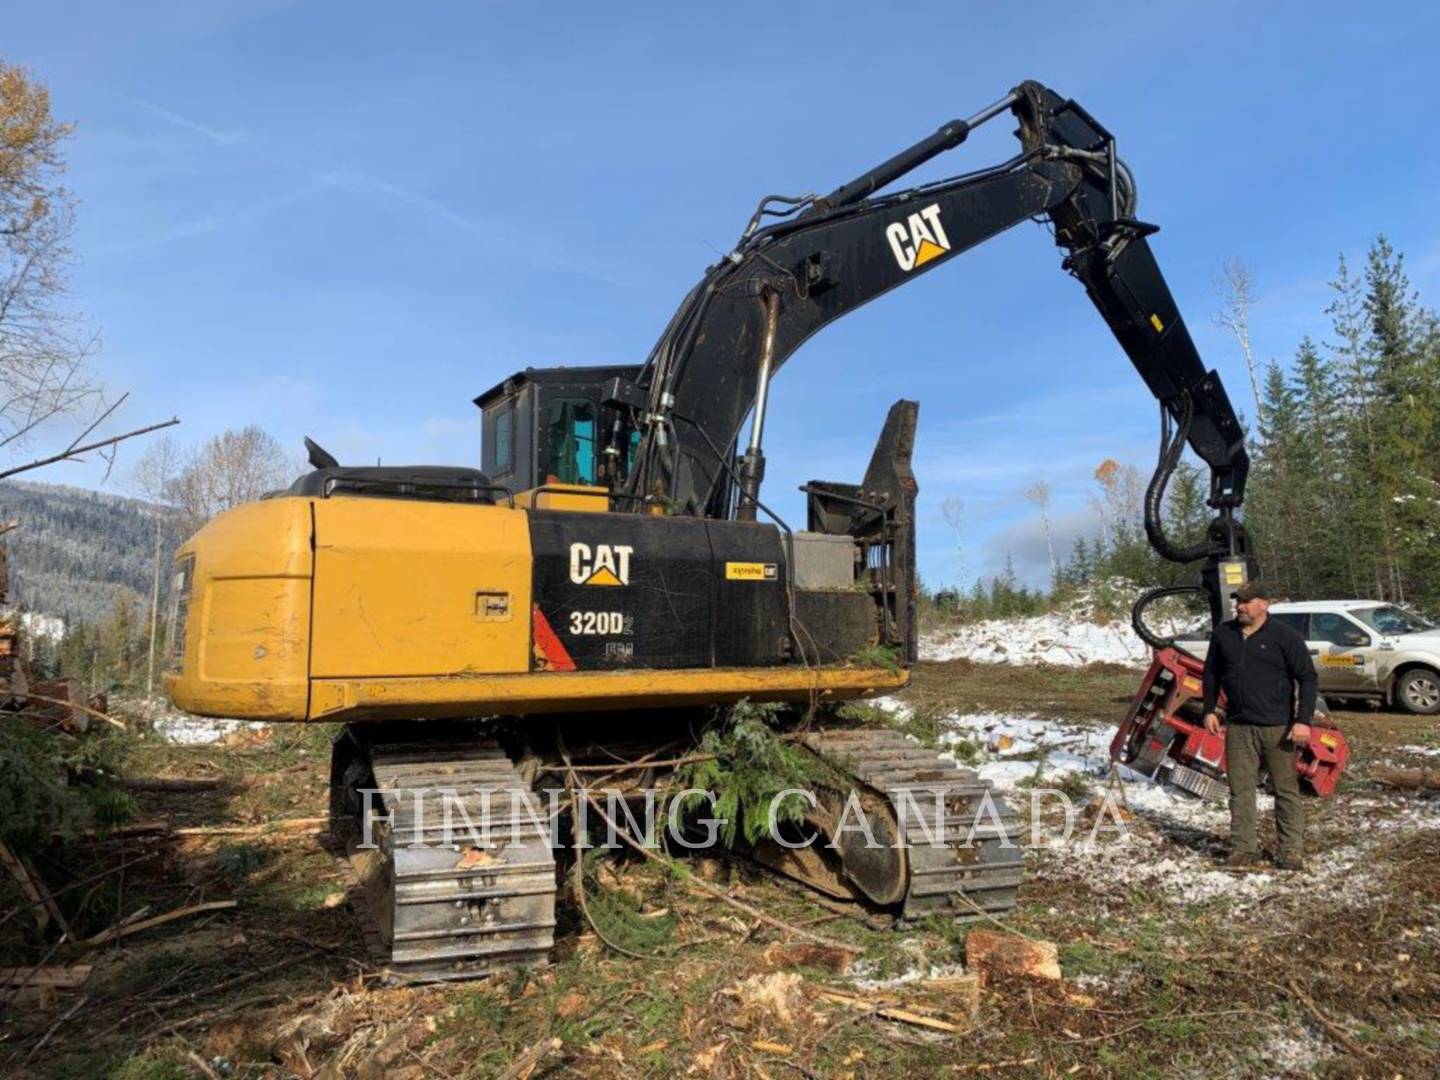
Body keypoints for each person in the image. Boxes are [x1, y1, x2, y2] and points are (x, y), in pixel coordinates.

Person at [1201, 581, 1318, 871]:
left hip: (1277, 728)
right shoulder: (1224, 635)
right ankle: (1243, 850)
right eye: (1238, 601)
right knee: (1240, 790)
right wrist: (1209, 709)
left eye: (1246, 601)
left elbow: (1307, 677)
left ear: (1264, 604)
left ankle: (1290, 851)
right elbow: (1211, 674)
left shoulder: (1283, 636)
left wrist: (1303, 720)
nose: (1240, 606)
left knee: (1285, 790)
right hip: (1239, 726)